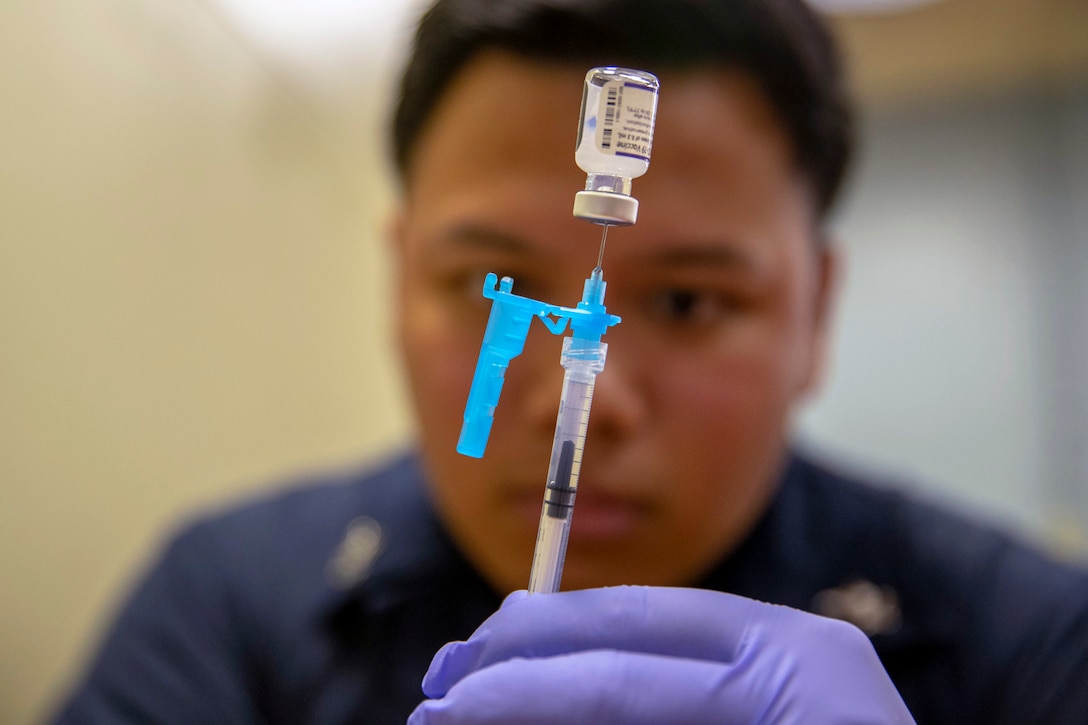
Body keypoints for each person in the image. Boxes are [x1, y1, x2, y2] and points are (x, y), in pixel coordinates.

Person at [52, 0, 1088, 722]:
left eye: (686, 300)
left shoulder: (1030, 640)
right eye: (488, 282)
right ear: (399, 277)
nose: (576, 406)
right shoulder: (227, 607)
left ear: (816, 311)